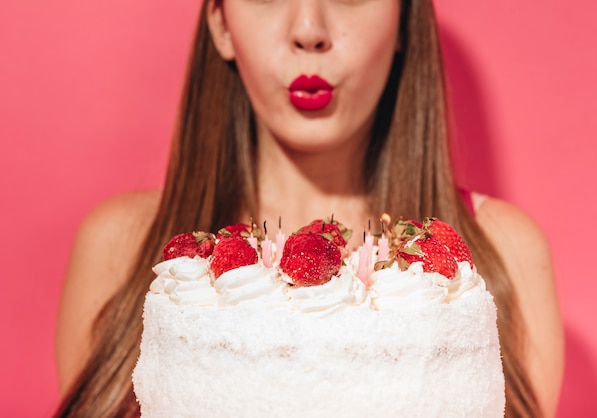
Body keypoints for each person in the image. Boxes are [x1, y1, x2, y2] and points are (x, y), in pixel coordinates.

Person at [55, 0, 564, 416]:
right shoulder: (125, 249)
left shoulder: (496, 256)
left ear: (405, 18)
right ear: (221, 23)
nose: (309, 30)